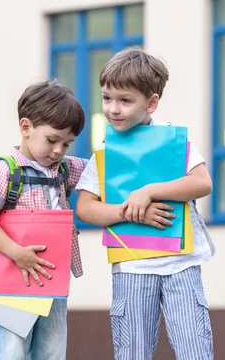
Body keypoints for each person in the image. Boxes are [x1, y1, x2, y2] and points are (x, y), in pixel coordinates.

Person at [75, 48, 216, 360]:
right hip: (132, 266)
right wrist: (131, 212)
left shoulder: (173, 143)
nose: (113, 109)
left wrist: (149, 191)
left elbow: (202, 182)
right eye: (107, 98)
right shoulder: (104, 151)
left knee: (195, 349)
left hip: (182, 264)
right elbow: (85, 208)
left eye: (125, 100)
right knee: (132, 352)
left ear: (151, 102)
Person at [0, 79, 87, 360]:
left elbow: (102, 170)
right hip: (13, 279)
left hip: (53, 277)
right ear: (26, 128)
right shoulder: (6, 170)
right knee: (9, 352)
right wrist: (17, 253)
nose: (59, 150)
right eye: (52, 140)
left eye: (67, 143)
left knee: (52, 351)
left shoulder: (63, 168)